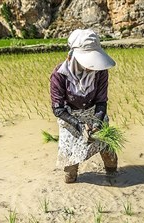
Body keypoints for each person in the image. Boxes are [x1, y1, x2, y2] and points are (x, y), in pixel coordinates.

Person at [50, 29, 118, 183]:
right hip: (70, 118)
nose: (91, 66)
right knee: (69, 170)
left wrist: (97, 122)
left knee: (108, 152)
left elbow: (101, 101)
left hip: (94, 114)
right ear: (73, 56)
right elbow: (58, 108)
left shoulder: (100, 72)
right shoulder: (59, 75)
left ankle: (113, 177)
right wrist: (79, 125)